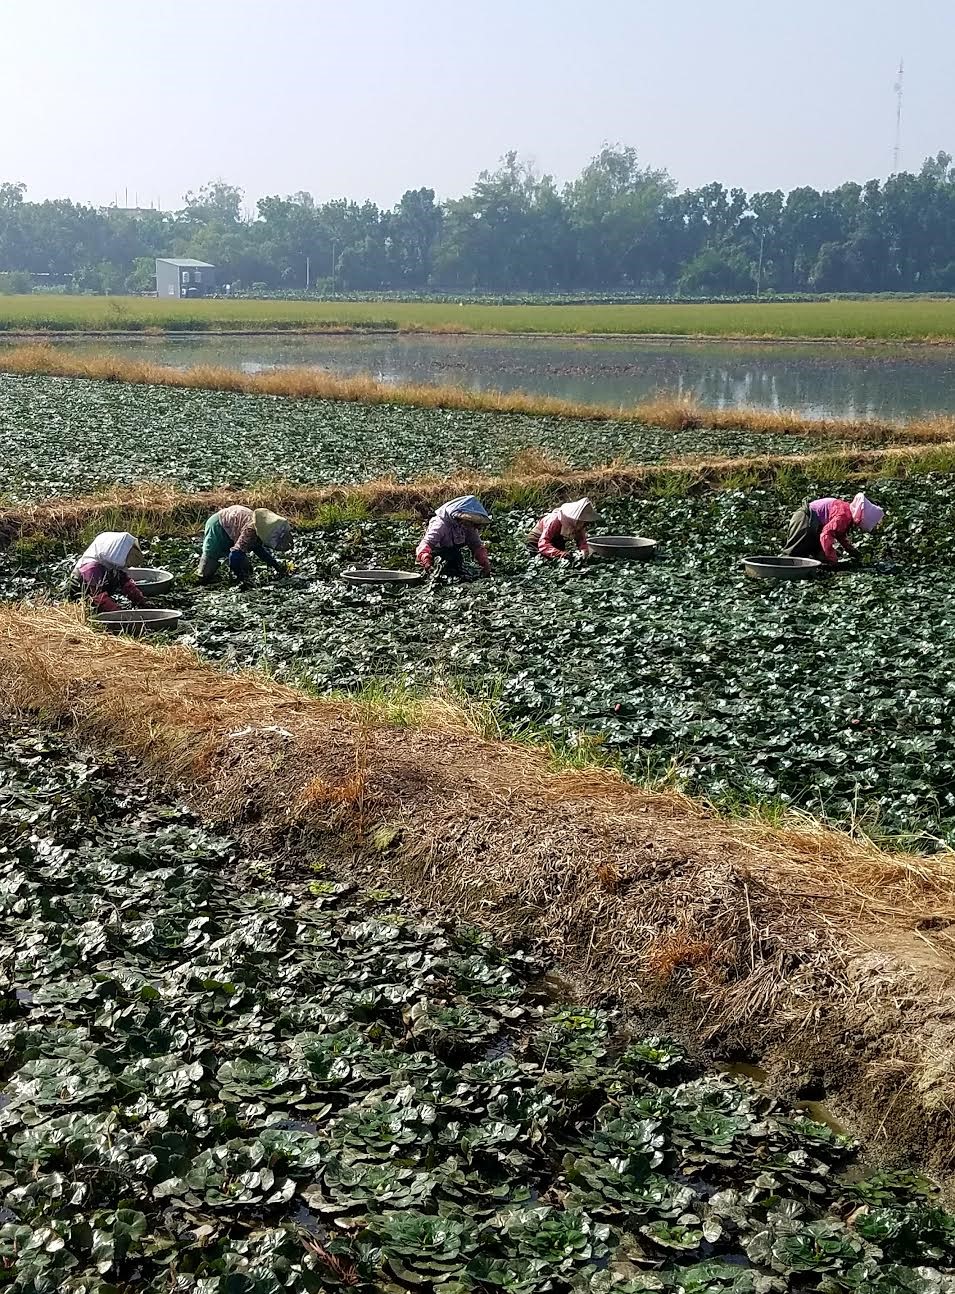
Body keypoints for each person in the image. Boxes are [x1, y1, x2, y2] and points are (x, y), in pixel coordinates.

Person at [780, 492, 885, 564]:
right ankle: (779, 570)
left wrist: (852, 551)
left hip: (815, 524)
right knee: (794, 553)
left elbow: (840, 535)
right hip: (805, 519)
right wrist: (832, 558)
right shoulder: (844, 514)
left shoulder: (847, 512)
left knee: (818, 558)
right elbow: (826, 534)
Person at [197, 506, 293, 583]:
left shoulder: (261, 528)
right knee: (206, 573)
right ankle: (204, 573)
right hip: (219, 524)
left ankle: (234, 571)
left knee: (247, 570)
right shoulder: (250, 532)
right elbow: (234, 555)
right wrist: (241, 578)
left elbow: (259, 549)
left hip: (233, 528)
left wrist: (276, 566)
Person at [68, 531, 149, 612]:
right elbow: (98, 597)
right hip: (84, 598)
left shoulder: (113, 564)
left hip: (102, 594)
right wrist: (119, 613)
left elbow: (126, 585)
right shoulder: (91, 568)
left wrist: (141, 602)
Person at [416, 495, 492, 579]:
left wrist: (485, 563)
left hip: (454, 553)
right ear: (458, 518)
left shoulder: (469, 527)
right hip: (435, 554)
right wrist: (426, 561)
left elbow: (476, 545)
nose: (471, 526)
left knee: (456, 567)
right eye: (468, 522)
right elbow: (427, 543)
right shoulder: (441, 525)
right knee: (440, 572)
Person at [526, 498, 597, 560]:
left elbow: (581, 540)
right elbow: (543, 543)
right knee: (541, 560)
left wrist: (584, 550)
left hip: (556, 540)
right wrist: (560, 554)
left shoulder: (578, 524)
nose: (583, 524)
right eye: (582, 521)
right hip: (537, 540)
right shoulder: (554, 520)